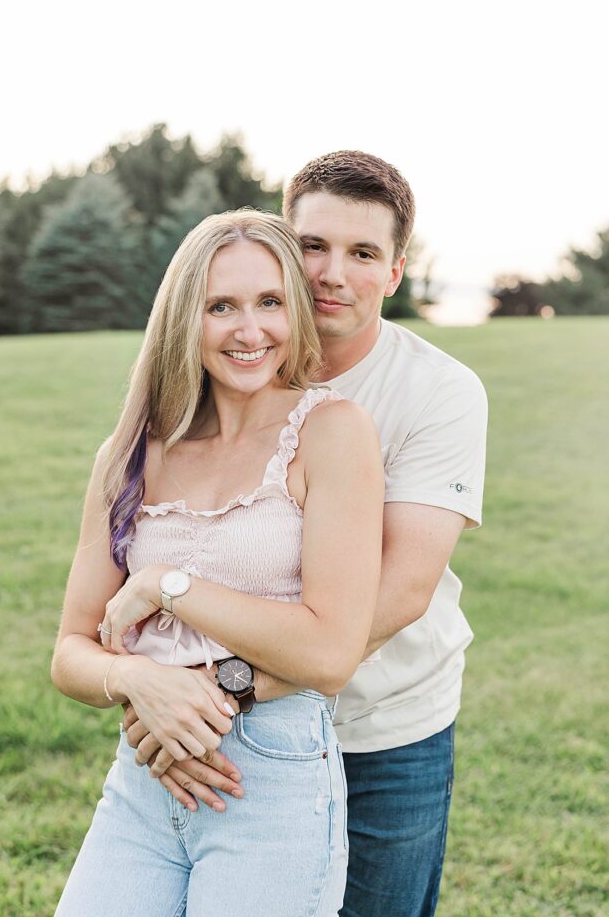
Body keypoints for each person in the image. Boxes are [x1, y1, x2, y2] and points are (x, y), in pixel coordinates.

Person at [125, 151, 488, 917]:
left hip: (384, 729)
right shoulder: (224, 374)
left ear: (394, 272)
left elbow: (400, 592)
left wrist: (218, 692)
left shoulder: (438, 392)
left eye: (362, 254)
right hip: (241, 740)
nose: (330, 272)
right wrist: (148, 683)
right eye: (312, 246)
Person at [50, 210, 385, 917]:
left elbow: (329, 651)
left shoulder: (331, 433)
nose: (249, 330)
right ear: (183, 318)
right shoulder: (128, 454)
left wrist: (166, 586)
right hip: (143, 781)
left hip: (273, 785)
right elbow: (70, 652)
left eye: (269, 303)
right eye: (220, 307)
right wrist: (138, 679)